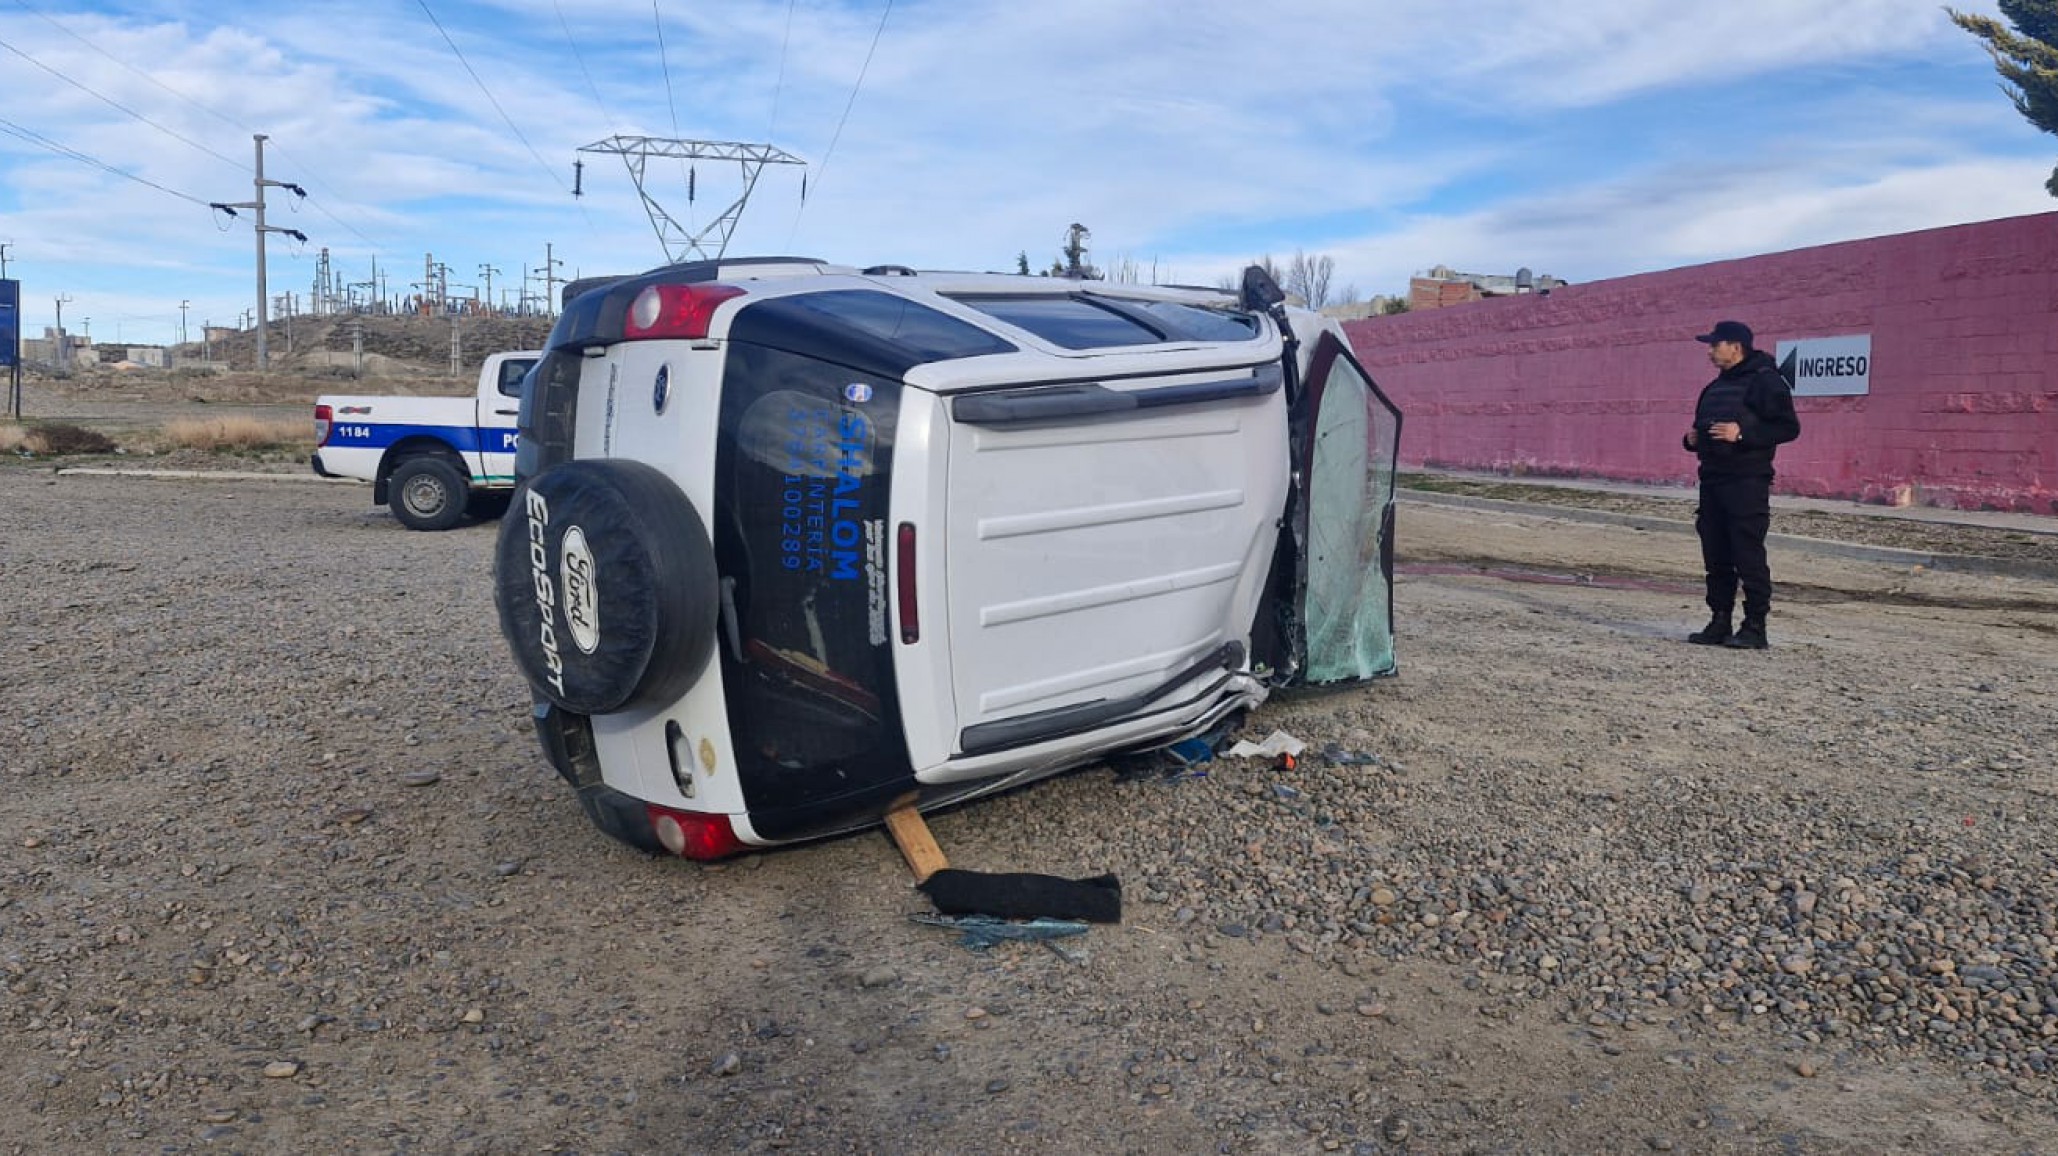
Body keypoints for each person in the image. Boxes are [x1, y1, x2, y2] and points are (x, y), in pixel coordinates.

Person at [1682, 320, 1800, 649]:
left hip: (1747, 482)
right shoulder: (1715, 388)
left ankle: (1755, 626)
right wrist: (1691, 440)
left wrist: (1742, 434)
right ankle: (1719, 620)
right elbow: (1702, 428)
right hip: (1713, 480)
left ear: (1735, 347)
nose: (1709, 351)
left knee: (1747, 555)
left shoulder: (1766, 381)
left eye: (1714, 345)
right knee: (1716, 554)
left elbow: (1788, 428)